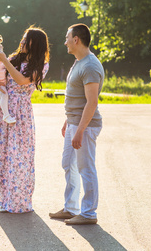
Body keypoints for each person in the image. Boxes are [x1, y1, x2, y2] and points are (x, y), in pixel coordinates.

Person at [0, 26, 50, 213]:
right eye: (22, 38)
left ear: (35, 44)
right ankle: (3, 199)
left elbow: (23, 81)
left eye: (26, 39)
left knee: (19, 156)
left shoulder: (42, 65)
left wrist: (5, 61)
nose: (22, 42)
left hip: (21, 112)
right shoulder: (15, 59)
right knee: (1, 153)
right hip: (3, 107)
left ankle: (19, 201)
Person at [49, 23, 104, 225]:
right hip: (74, 122)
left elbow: (92, 102)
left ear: (76, 40)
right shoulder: (79, 62)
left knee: (86, 168)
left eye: (67, 38)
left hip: (86, 125)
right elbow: (78, 98)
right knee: (68, 164)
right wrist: (68, 120)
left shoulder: (90, 65)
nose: (65, 42)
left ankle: (89, 213)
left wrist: (80, 130)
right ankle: (71, 208)